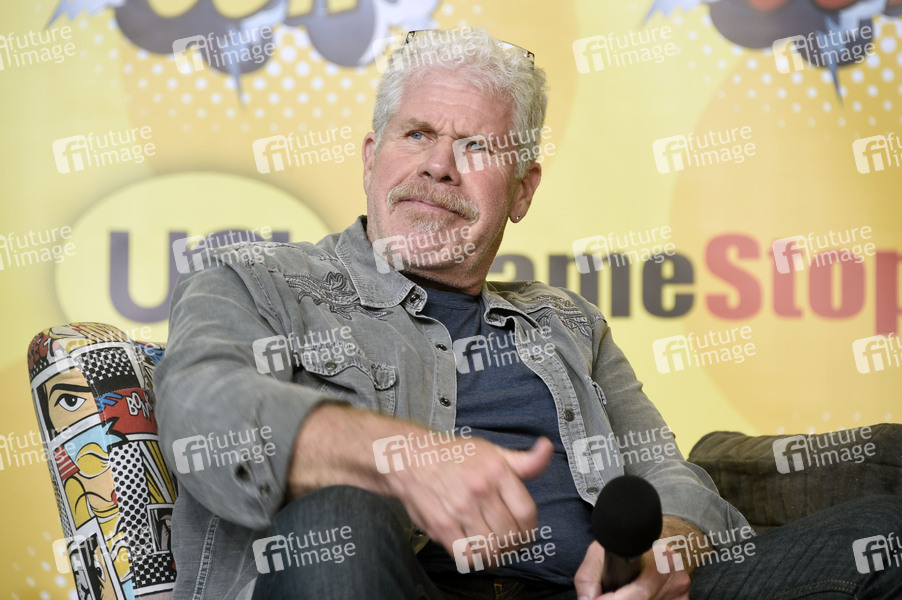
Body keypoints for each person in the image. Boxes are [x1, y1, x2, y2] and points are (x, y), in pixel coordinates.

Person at [156, 27, 902, 600]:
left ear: (522, 190)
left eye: (476, 146)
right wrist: (403, 457)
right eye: (417, 134)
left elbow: (662, 469)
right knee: (336, 523)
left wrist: (668, 547)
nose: (439, 165)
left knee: (884, 533)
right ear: (370, 156)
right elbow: (201, 414)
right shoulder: (256, 279)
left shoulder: (571, 324)